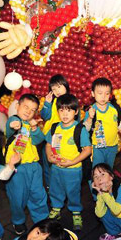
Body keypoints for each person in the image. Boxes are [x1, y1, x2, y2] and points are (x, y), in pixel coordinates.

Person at [45, 94, 92, 231]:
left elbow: (87, 150)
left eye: (69, 110)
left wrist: (72, 162)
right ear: (57, 111)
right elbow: (48, 144)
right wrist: (49, 156)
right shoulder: (55, 128)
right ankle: (56, 208)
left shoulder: (79, 129)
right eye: (61, 110)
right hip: (56, 168)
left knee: (73, 192)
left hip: (73, 169)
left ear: (76, 111)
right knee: (55, 189)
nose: (65, 114)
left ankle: (76, 212)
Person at [5, 94, 49, 235]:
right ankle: (18, 221)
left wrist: (35, 128)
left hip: (34, 166)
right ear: (17, 106)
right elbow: (10, 126)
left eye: (33, 110)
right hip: (17, 168)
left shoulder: (30, 124)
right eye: (25, 107)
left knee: (38, 194)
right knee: (17, 197)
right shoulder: (14, 120)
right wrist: (14, 125)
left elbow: (38, 140)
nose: (28, 111)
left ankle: (42, 220)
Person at [84, 78, 121, 169]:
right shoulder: (91, 110)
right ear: (92, 94)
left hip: (113, 146)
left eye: (107, 93)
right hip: (98, 147)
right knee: (98, 169)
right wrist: (90, 118)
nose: (103, 97)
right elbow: (85, 129)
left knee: (108, 169)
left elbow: (118, 121)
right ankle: (95, 182)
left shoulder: (114, 109)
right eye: (100, 93)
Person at [39, 74, 69, 187]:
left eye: (59, 87)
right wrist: (47, 103)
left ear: (66, 85)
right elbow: (44, 116)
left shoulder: (71, 101)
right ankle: (49, 185)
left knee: (61, 160)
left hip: (64, 137)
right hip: (49, 137)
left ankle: (61, 184)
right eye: (53, 89)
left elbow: (76, 120)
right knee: (47, 160)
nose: (57, 91)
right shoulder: (51, 102)